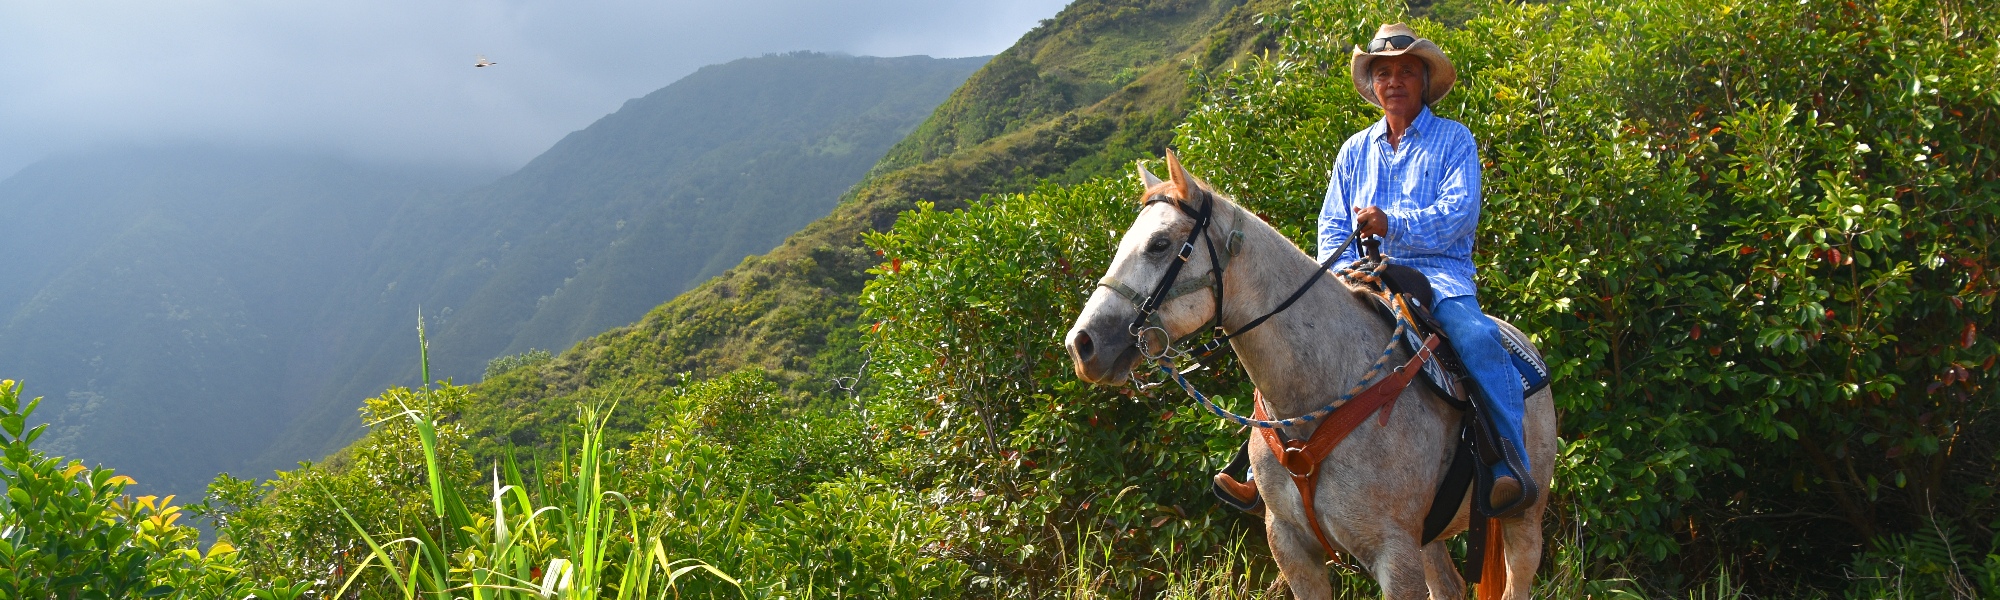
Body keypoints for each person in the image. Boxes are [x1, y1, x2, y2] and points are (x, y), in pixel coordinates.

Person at [1213, 22, 1532, 513]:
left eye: (1406, 71)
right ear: (1373, 85)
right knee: (1286, 341)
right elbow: (1331, 223)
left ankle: (1509, 465)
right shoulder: (1354, 149)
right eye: (1383, 73)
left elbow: (1459, 214)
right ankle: (1258, 467)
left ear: (1424, 80)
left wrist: (1391, 224)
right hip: (1362, 276)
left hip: (1437, 276)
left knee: (1477, 340)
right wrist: (1330, 278)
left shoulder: (1454, 140)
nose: (1395, 82)